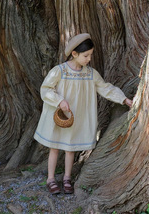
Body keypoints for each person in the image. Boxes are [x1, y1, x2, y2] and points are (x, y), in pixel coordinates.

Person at [34, 33, 133, 195]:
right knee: (54, 147)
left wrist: (123, 99)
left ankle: (67, 177)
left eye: (90, 55)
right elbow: (46, 89)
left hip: (76, 117)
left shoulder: (90, 73)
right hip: (60, 116)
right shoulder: (59, 71)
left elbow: (105, 88)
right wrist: (59, 101)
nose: (89, 59)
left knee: (70, 148)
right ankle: (50, 179)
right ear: (74, 54)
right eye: (86, 55)